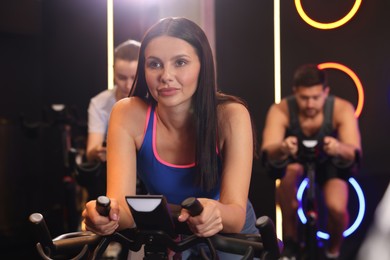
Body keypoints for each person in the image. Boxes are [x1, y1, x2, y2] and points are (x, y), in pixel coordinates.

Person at [82, 17, 259, 259]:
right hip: (165, 231)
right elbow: (121, 210)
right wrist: (105, 215)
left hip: (228, 235)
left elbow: (235, 215)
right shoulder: (127, 113)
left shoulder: (231, 116)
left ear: (202, 66)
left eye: (181, 62)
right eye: (154, 64)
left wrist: (213, 211)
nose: (166, 75)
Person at [261, 64, 362, 259]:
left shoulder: (342, 109)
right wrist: (282, 147)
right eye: (304, 98)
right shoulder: (281, 110)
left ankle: (333, 251)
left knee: (337, 208)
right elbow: (268, 151)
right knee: (287, 183)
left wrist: (338, 147)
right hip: (296, 160)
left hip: (330, 161)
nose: (309, 105)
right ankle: (291, 244)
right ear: (295, 92)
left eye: (315, 98)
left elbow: (354, 153)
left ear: (326, 92)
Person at [82, 40, 140, 201]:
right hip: (112, 169)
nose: (128, 85)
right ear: (113, 71)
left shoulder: (153, 100)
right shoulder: (99, 103)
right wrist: (99, 152)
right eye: (121, 77)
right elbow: (91, 151)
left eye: (133, 77)